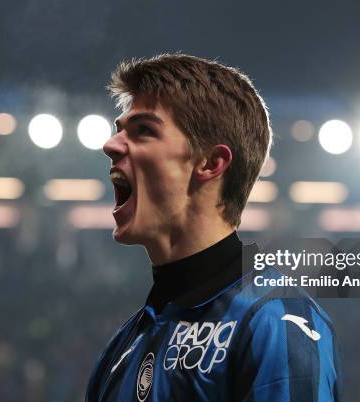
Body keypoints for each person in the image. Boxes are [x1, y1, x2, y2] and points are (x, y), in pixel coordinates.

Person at [85, 54, 342, 402]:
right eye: (120, 130)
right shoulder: (123, 347)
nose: (111, 145)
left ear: (210, 163)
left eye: (144, 130)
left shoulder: (277, 320)